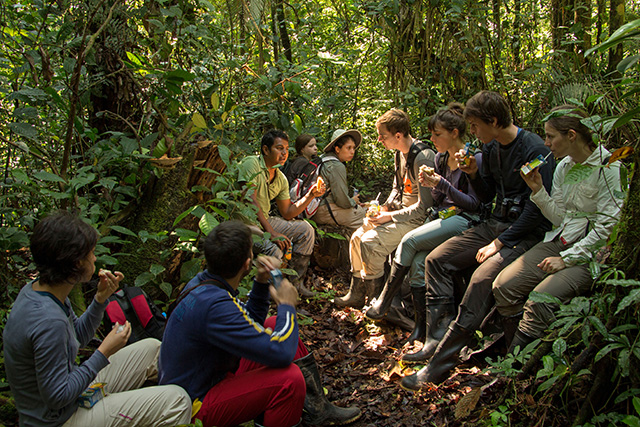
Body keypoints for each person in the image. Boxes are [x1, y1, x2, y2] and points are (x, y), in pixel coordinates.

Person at [400, 91, 555, 390]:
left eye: (474, 125)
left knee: (482, 278)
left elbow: (537, 211)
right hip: (496, 223)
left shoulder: (533, 148)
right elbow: (486, 197)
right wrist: (472, 174)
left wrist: (501, 242)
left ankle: (441, 364)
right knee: (436, 260)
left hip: (525, 233)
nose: (472, 132)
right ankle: (435, 339)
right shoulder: (494, 148)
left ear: (493, 121)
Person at [158, 221, 361, 427]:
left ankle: (318, 410)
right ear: (247, 263)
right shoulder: (215, 306)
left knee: (273, 323)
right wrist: (287, 306)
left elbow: (248, 321)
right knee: (289, 380)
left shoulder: (206, 285)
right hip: (192, 406)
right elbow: (280, 353)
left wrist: (261, 283)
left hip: (207, 378)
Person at [3, 211, 192, 427]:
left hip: (69, 398)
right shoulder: (48, 320)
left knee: (151, 348)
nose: (94, 258)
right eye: (90, 253)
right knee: (178, 402)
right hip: (58, 420)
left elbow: (77, 337)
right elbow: (57, 396)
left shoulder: (42, 290)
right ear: (75, 263)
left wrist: (100, 299)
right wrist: (104, 352)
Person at [492, 105, 623, 352]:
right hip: (563, 239)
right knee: (503, 286)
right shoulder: (565, 166)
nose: (546, 142)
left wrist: (566, 259)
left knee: (539, 299)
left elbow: (608, 227)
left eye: (551, 136)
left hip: (591, 253)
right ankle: (512, 351)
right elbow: (562, 218)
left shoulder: (610, 167)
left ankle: (514, 368)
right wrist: (538, 191)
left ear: (571, 135)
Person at [364, 103, 482, 361]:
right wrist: (433, 185)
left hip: (464, 219)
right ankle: (423, 329)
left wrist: (442, 185)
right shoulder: (439, 159)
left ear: (453, 132)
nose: (432, 139)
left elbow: (474, 204)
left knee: (408, 242)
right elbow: (436, 200)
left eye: (436, 134)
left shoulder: (473, 158)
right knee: (419, 263)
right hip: (442, 217)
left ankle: (385, 300)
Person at [335, 109, 436, 309]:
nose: (379, 140)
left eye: (383, 135)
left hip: (415, 220)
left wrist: (389, 217)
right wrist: (381, 208)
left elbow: (425, 207)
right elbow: (396, 189)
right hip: (398, 213)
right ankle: (356, 294)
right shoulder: (399, 154)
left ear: (398, 135)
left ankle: (379, 303)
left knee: (370, 243)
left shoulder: (423, 157)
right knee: (356, 238)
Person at [238, 129, 326, 297]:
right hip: (244, 223)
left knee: (306, 229)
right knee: (274, 251)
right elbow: (250, 199)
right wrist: (271, 232)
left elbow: (287, 213)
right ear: (265, 150)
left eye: (286, 148)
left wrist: (310, 195)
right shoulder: (252, 164)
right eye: (279, 148)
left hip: (264, 220)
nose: (284, 153)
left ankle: (294, 285)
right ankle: (267, 295)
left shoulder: (280, 178)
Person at [311, 129, 367, 232]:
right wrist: (353, 201)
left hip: (313, 208)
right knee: (366, 216)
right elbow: (342, 201)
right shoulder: (336, 166)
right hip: (323, 210)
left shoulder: (324, 159)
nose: (352, 151)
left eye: (353, 148)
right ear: (337, 149)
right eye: (348, 148)